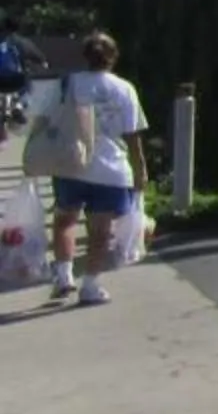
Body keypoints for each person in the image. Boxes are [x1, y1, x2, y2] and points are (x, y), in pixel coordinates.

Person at [45, 32, 145, 306]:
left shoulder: (69, 83)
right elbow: (133, 134)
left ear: (85, 56)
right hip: (110, 169)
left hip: (72, 164)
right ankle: (90, 285)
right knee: (100, 231)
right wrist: (140, 170)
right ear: (113, 56)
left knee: (65, 219)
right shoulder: (124, 89)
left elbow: (48, 119)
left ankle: (64, 276)